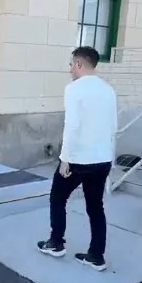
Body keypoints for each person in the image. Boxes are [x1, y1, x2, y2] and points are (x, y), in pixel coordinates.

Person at [37, 46, 116, 271]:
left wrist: (65, 158)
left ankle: (56, 243)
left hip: (79, 159)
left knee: (57, 198)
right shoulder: (108, 89)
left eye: (72, 64)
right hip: (102, 159)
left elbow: (71, 125)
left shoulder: (74, 89)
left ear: (80, 64)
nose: (70, 69)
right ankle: (96, 256)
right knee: (95, 207)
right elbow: (113, 126)